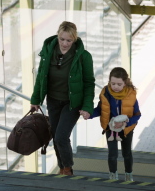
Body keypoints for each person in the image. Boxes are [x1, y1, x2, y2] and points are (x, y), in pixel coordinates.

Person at [30, 21, 95, 176]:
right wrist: (35, 100)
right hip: (53, 101)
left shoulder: (83, 57)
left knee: (61, 136)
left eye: (69, 40)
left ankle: (67, 169)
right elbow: (41, 77)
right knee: (56, 136)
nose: (65, 43)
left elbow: (89, 83)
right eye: (62, 39)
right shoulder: (48, 52)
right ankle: (62, 168)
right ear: (58, 36)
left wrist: (87, 107)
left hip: (72, 103)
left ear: (75, 39)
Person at [83, 67, 141, 182]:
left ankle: (128, 174)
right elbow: (100, 109)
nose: (116, 87)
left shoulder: (131, 95)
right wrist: (89, 115)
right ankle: (113, 175)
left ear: (125, 83)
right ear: (109, 81)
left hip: (126, 129)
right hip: (110, 127)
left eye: (119, 84)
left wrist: (126, 122)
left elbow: (137, 115)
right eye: (113, 83)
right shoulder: (105, 93)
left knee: (127, 153)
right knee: (112, 154)